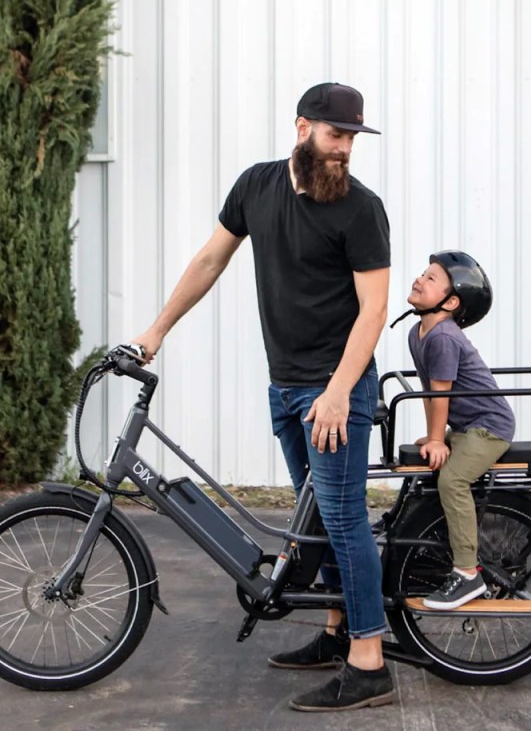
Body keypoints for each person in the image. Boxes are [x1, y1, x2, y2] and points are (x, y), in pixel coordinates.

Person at [130, 82, 397, 712]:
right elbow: (209, 261)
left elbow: (374, 310)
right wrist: (155, 331)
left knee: (341, 515)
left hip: (338, 389)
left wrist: (336, 393)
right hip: (286, 387)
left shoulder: (362, 210)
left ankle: (369, 661)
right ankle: (335, 632)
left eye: (354, 140)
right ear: (302, 128)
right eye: (336, 137)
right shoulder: (257, 187)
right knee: (316, 520)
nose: (345, 151)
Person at [397, 250, 516, 610]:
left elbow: (442, 394)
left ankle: (467, 573)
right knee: (420, 464)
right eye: (423, 273)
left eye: (431, 279)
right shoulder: (419, 333)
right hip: (466, 427)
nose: (420, 279)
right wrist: (432, 437)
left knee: (452, 481)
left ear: (450, 302)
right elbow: (430, 391)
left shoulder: (444, 337)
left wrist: (438, 438)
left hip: (489, 428)